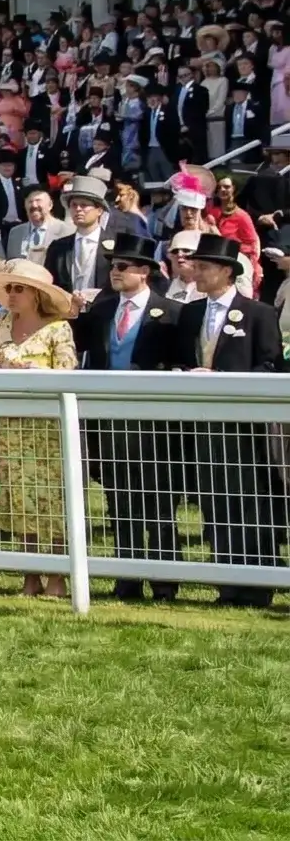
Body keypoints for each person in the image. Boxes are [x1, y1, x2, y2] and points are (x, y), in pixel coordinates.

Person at [154, 237, 285, 607]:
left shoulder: (257, 312)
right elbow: (178, 358)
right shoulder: (191, 313)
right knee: (214, 502)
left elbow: (271, 363)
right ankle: (227, 580)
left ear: (226, 271)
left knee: (252, 503)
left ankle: (258, 583)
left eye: (204, 266)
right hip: (202, 424)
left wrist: (226, 380)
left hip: (245, 427)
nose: (195, 272)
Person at [71, 232, 182, 600]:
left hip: (154, 422)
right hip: (110, 419)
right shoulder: (102, 310)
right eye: (112, 266)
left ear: (144, 271)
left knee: (159, 501)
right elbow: (81, 346)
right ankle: (126, 576)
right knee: (121, 500)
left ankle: (164, 582)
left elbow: (181, 361)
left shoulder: (170, 312)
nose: (114, 272)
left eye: (121, 266)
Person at [0, 258, 79, 598]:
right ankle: (30, 576)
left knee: (50, 501)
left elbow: (68, 372)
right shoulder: (4, 323)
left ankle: (58, 577)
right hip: (10, 426)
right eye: (8, 287)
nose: (11, 294)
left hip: (47, 429)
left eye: (18, 288)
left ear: (36, 293)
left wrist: (31, 369)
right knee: (17, 501)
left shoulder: (58, 328)